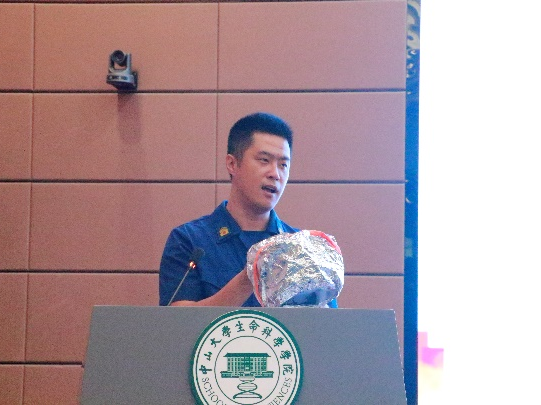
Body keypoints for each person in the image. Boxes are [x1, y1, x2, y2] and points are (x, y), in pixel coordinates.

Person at [159, 112, 337, 307]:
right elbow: (177, 320)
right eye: (264, 160)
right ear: (232, 164)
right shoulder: (189, 241)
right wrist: (250, 276)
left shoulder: (302, 251)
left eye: (283, 165)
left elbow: (327, 323)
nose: (275, 174)